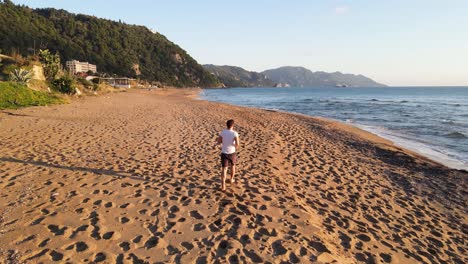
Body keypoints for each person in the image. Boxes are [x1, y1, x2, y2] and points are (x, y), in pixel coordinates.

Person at [216, 119, 239, 191]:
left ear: (227, 125)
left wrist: (223, 142)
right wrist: (233, 145)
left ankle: (223, 186)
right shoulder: (235, 133)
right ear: (233, 125)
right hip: (232, 152)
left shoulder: (223, 132)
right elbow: (237, 144)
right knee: (233, 166)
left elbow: (219, 141)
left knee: (224, 169)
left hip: (224, 152)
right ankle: (231, 179)